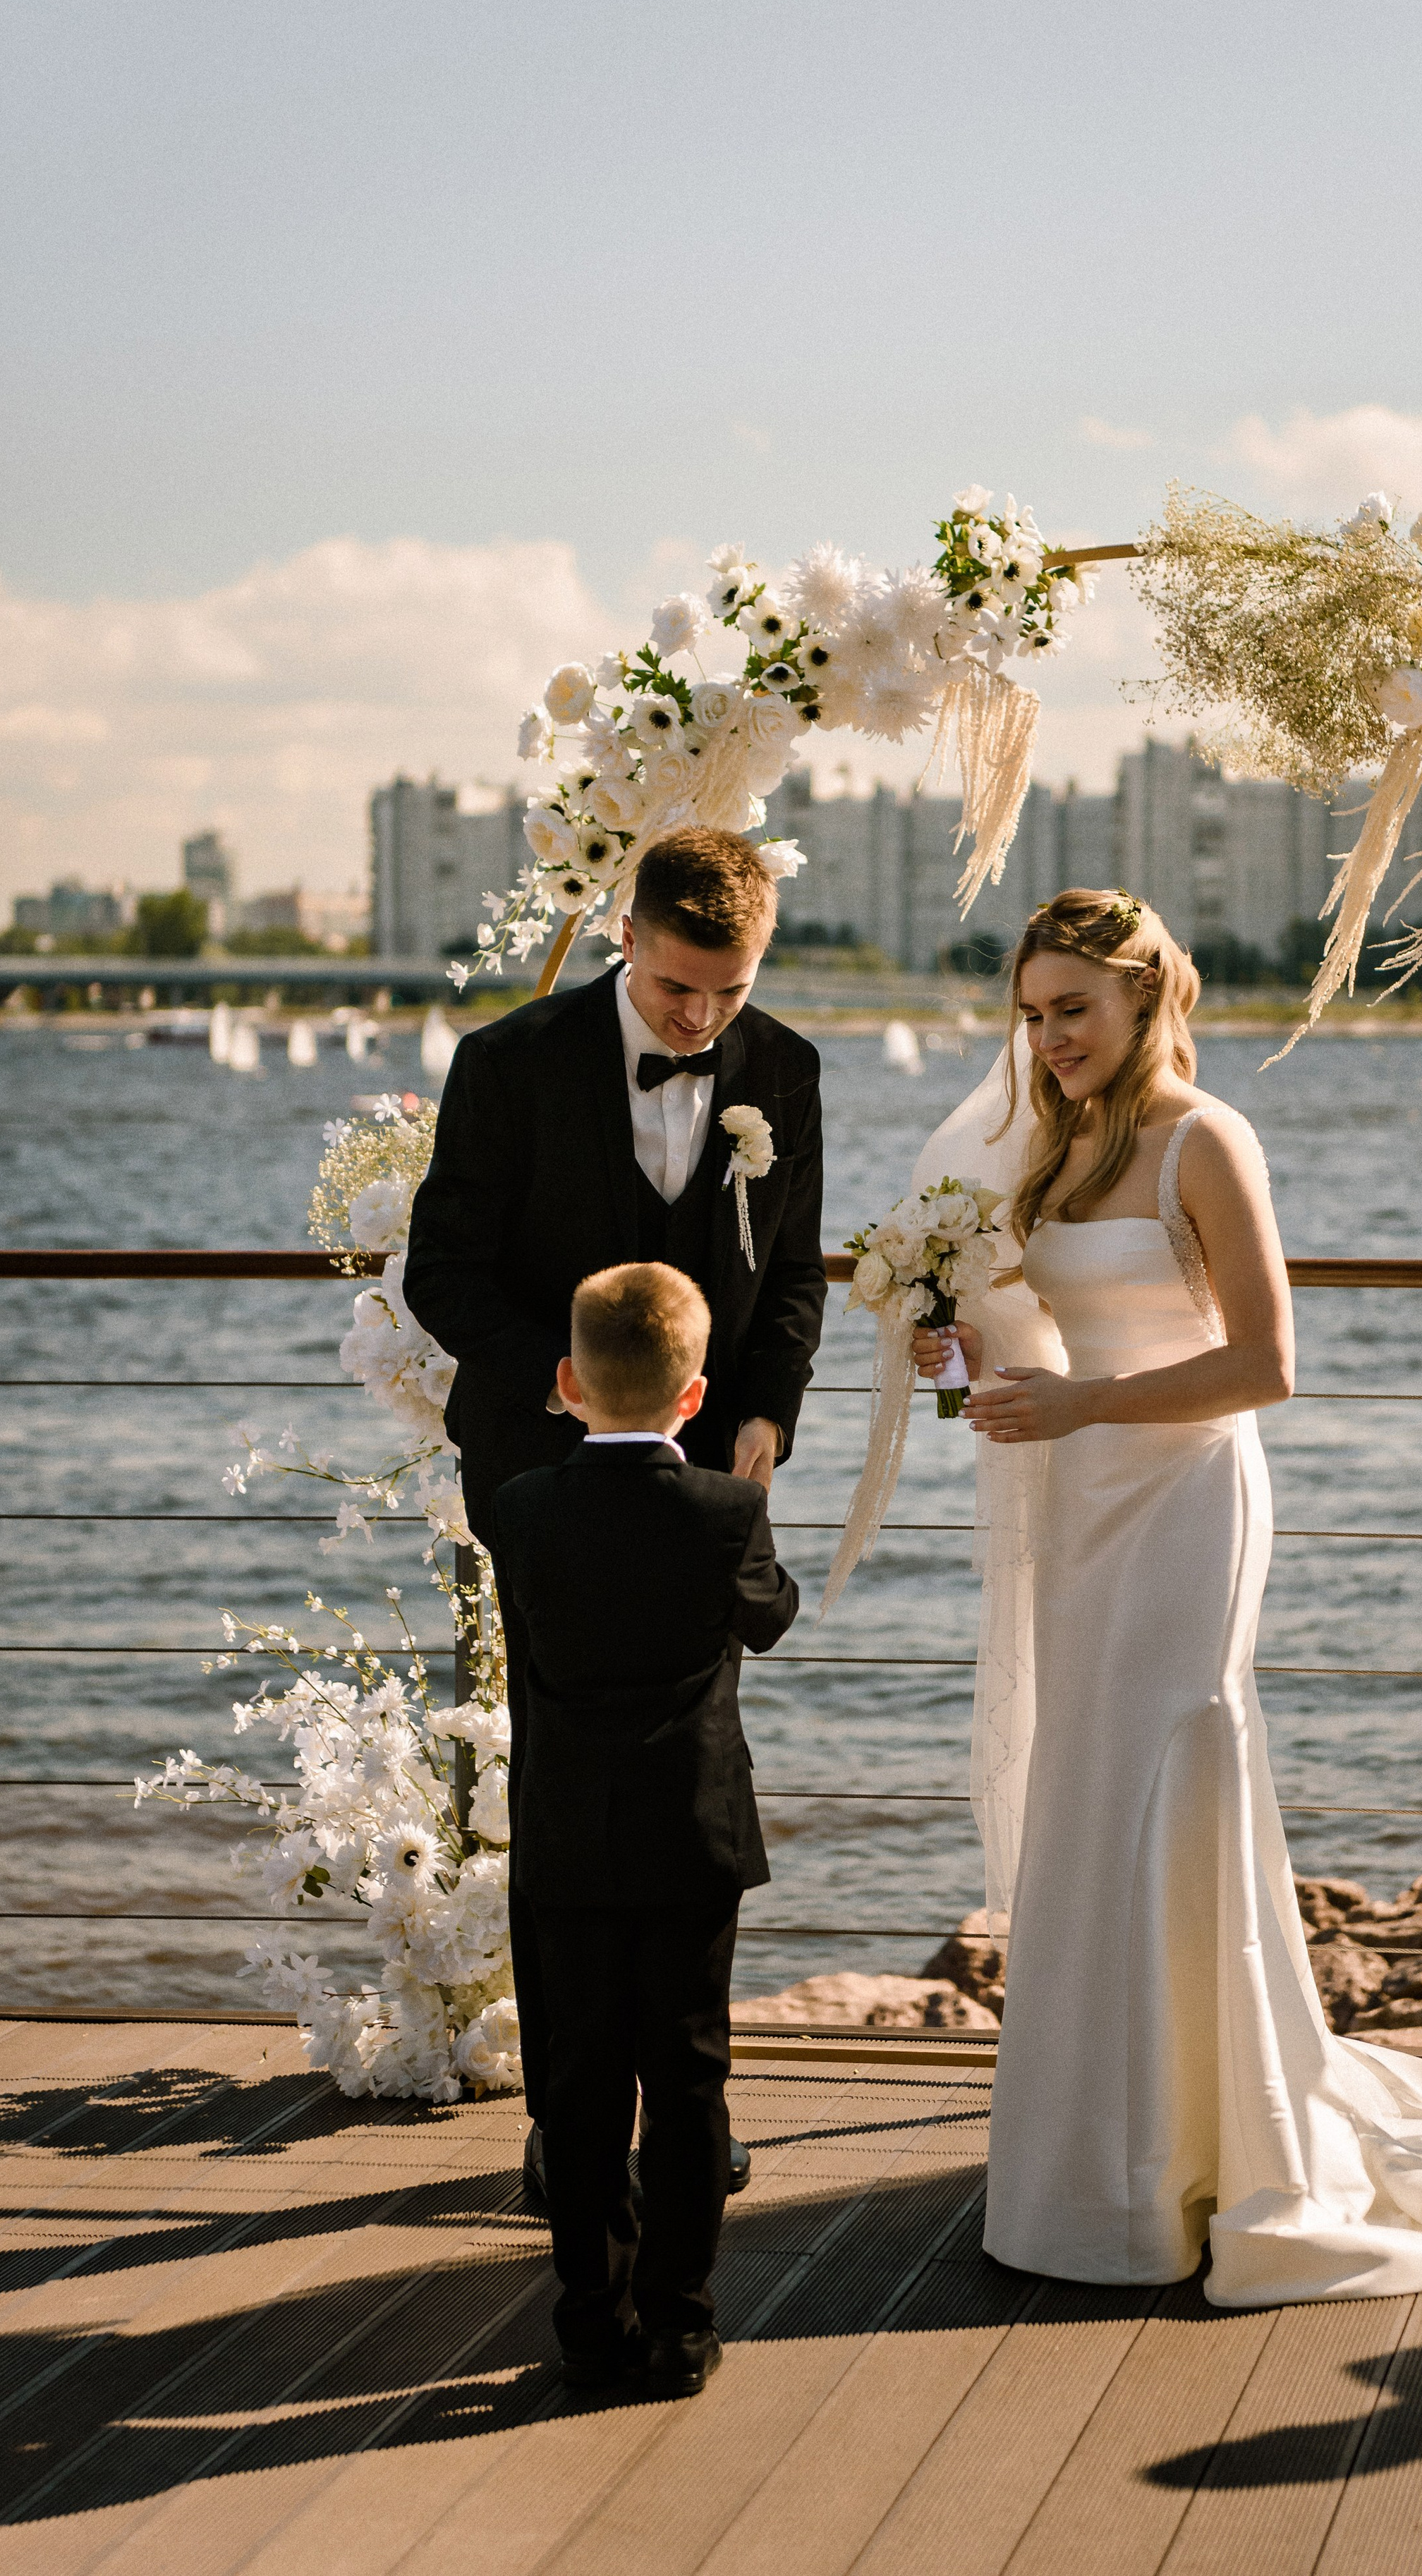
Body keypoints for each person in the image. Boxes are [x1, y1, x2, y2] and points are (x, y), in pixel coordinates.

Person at [911, 888, 1422, 2307]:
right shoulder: (1052, 1148)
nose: (1049, 1036)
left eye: (1072, 1007)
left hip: (1185, 1499)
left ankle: (1201, 2154)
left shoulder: (1207, 1139)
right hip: (1078, 1504)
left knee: (1158, 1787)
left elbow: (1265, 1363)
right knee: (1083, 1795)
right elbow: (1022, 1335)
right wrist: (950, 1342)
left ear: (1142, 996)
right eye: (1031, 1013)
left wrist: (1084, 1404)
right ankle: (1099, 2162)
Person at [403, 827, 826, 2206]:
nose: (701, 1018)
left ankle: (687, 2112)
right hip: (542, 1475)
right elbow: (444, 1276)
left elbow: (799, 1280)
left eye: (729, 992)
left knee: (693, 1793)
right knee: (566, 1787)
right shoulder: (506, 1064)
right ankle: (569, 2118)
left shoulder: (786, 1072)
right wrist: (577, 1391)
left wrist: (765, 1413)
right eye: (677, 989)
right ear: (624, 937)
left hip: (713, 1487)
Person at [492, 1262, 798, 2398]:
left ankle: (588, 2322)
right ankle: (678, 2324)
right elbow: (770, 1617)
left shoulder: (518, 1509)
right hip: (689, 1831)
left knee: (580, 2082)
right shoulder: (729, 1511)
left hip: (569, 1832)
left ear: (569, 1382)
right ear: (695, 1393)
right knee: (687, 2075)